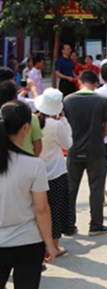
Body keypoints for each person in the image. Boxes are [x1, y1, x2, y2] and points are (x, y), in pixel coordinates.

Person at [0, 101, 59, 287]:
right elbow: (41, 209)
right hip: (28, 241)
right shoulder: (34, 165)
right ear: (26, 127)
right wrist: (50, 244)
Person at [64, 70, 107, 236]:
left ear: (79, 81)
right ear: (95, 84)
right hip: (96, 151)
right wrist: (98, 138)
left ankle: (68, 225)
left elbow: (64, 124)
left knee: (71, 188)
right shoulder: (102, 100)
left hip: (74, 150)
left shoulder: (68, 100)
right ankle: (96, 225)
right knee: (96, 189)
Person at [35, 88, 74, 257]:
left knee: (39, 209)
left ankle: (40, 245)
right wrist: (64, 121)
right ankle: (54, 247)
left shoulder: (34, 121)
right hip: (56, 172)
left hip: (37, 171)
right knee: (55, 211)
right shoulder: (56, 125)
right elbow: (68, 144)